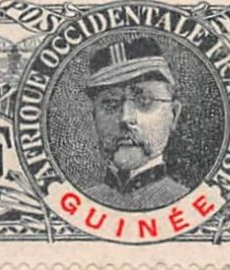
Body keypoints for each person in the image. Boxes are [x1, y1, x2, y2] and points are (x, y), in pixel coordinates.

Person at [82, 36, 191, 210]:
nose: (125, 118)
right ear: (94, 116)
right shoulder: (81, 204)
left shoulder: (189, 205)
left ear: (174, 114)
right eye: (110, 103)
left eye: (145, 100)